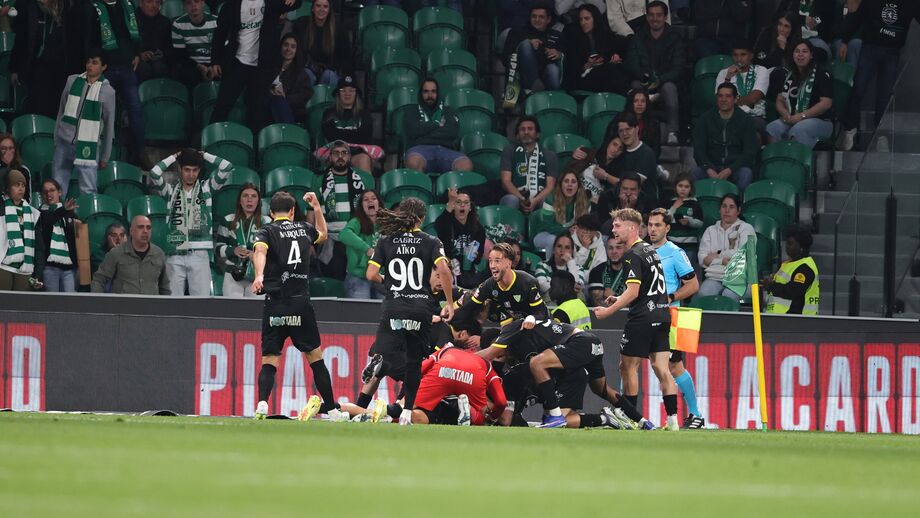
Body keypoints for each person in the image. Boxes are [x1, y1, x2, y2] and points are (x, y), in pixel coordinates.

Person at [251, 191, 347, 422]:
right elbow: (323, 235)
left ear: (271, 212)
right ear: (293, 211)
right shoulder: (304, 228)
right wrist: (317, 207)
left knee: (270, 359)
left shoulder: (266, 230)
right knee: (315, 357)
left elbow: (260, 251)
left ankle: (262, 403)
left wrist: (259, 275)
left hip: (275, 303)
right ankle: (332, 410)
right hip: (300, 303)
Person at [365, 197, 456, 426]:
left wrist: (387, 280)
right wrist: (449, 302)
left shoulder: (386, 240)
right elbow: (444, 270)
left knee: (385, 349)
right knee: (415, 361)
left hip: (394, 305)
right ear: (422, 219)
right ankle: (406, 412)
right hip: (420, 308)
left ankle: (379, 360)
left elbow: (370, 274)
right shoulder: (431, 241)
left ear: (401, 214)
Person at [479, 316, 652, 429]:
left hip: (580, 341)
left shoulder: (517, 336)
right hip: (592, 345)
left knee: (537, 363)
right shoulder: (521, 347)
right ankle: (643, 422)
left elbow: (491, 354)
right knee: (602, 389)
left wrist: (465, 357)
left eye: (500, 353)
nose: (500, 357)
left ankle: (555, 416)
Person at [593, 208, 680, 431]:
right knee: (662, 369)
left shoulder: (632, 254)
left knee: (627, 367)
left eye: (617, 226)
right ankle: (673, 422)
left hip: (642, 318)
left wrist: (608, 311)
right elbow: (645, 287)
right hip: (662, 314)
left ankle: (630, 417)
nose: (613, 230)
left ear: (632, 227)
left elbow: (633, 292)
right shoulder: (650, 250)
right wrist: (619, 298)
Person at [647, 208, 704, 428]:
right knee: (630, 361)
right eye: (650, 225)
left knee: (673, 366)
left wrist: (670, 297)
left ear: (667, 228)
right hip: (647, 315)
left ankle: (695, 414)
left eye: (658, 225)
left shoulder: (675, 253)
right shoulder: (643, 251)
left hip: (670, 317)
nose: (652, 229)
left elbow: (693, 285)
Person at [148, 148, 232, 296]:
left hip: (199, 253)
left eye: (195, 170)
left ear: (199, 171)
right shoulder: (170, 191)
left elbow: (227, 167)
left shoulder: (207, 188)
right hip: (174, 252)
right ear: (180, 169)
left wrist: (204, 155)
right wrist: (174, 156)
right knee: (172, 303)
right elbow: (154, 173)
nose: (191, 174)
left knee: (201, 303)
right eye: (187, 170)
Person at [839, 0, 919, 152]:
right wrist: (845, 40)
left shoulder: (911, 2)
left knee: (884, 95)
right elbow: (858, 17)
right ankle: (850, 130)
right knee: (858, 89)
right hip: (870, 47)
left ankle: (881, 136)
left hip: (892, 52)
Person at [210, 0, 302, 132]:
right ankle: (211, 140)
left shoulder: (271, 2)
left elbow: (297, 4)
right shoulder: (231, 5)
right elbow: (220, 32)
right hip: (237, 63)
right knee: (222, 106)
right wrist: (215, 61)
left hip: (262, 67)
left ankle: (253, 143)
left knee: (257, 113)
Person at [52, 50, 116, 199]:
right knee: (57, 187)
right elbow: (61, 111)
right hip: (64, 142)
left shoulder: (107, 92)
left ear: (104, 67)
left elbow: (109, 125)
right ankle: (58, 214)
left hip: (88, 146)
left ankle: (87, 214)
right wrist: (56, 137)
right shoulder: (72, 80)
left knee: (88, 190)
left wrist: (105, 156)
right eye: (88, 62)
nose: (90, 65)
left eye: (95, 62)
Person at [624, 1, 684, 145]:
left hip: (665, 81)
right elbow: (632, 62)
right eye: (651, 15)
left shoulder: (675, 37)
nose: (655, 18)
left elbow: (678, 68)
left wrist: (659, 80)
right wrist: (645, 78)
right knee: (635, 87)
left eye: (659, 15)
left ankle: (672, 132)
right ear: (646, 17)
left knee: (670, 89)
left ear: (665, 17)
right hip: (643, 80)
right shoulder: (638, 36)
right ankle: (635, 130)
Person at [10, 0, 80, 118]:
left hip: (62, 67)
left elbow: (75, 41)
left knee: (59, 107)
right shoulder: (29, 8)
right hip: (37, 66)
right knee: (40, 105)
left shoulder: (67, 8)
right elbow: (21, 40)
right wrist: (14, 68)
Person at [453, 242, 550, 326]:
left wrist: (531, 318)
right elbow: (468, 307)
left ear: (509, 263)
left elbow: (540, 312)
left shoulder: (528, 282)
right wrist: (448, 317)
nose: (492, 266)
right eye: (490, 261)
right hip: (516, 326)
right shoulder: (488, 285)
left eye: (497, 261)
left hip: (540, 325)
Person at [411, 344, 508, 426]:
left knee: (414, 406)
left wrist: (405, 393)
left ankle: (405, 411)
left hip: (444, 369)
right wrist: (492, 418)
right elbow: (501, 401)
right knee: (481, 415)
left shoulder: (445, 349)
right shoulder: (487, 365)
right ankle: (470, 410)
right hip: (473, 376)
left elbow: (419, 369)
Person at [767, 40, 834, 149]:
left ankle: (797, 159)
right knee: (772, 128)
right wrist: (785, 114)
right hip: (792, 118)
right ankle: (777, 158)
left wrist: (802, 116)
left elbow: (826, 103)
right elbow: (779, 100)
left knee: (798, 129)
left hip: (820, 121)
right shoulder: (788, 75)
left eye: (804, 51)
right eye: (797, 51)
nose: (800, 54)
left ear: (811, 55)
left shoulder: (821, 74)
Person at [691, 83, 758, 190]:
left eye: (728, 96)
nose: (723, 99)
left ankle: (739, 201)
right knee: (695, 173)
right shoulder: (705, 119)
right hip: (712, 166)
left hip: (735, 167)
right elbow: (699, 150)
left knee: (745, 173)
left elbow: (749, 152)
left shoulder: (746, 120)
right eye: (720, 96)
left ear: (735, 99)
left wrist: (730, 169)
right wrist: (709, 169)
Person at [404, 78, 473, 175]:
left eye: (433, 91)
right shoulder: (411, 111)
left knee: (466, 165)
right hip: (420, 150)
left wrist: (423, 134)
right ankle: (421, 185)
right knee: (413, 162)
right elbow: (413, 130)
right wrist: (437, 125)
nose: (430, 95)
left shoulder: (449, 111)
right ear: (420, 93)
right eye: (426, 91)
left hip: (446, 150)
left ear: (438, 93)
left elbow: (451, 133)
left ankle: (451, 186)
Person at [214, 182, 271, 297]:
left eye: (253, 196)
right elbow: (218, 248)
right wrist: (233, 250)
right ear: (240, 201)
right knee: (232, 307)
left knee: (256, 308)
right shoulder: (228, 220)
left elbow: (274, 250)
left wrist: (257, 255)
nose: (249, 200)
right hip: (233, 273)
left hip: (257, 273)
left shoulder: (267, 222)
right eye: (245, 196)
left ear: (258, 201)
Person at [697, 193, 756, 301]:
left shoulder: (747, 229)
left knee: (728, 296)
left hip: (740, 279)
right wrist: (722, 261)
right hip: (715, 277)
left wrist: (718, 254)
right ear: (720, 209)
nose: (727, 210)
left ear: (738, 210)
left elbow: (743, 255)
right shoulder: (710, 230)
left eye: (731, 207)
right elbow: (702, 259)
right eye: (724, 206)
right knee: (703, 294)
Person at [91, 215, 170, 294]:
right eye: (141, 227)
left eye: (148, 227)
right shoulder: (116, 253)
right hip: (123, 301)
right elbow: (99, 279)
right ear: (131, 231)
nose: (145, 231)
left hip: (151, 301)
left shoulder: (159, 254)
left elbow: (164, 286)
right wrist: (98, 300)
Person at [561, 4, 630, 94]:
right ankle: (630, 94)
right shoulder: (574, 38)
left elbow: (613, 52)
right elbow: (572, 67)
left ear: (595, 19)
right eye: (581, 19)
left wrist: (614, 57)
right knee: (610, 71)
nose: (583, 22)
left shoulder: (605, 36)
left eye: (587, 19)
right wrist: (586, 65)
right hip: (583, 78)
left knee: (617, 69)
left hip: (605, 73)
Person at [499, 116, 558, 213]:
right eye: (522, 129)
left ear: (537, 134)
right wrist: (521, 198)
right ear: (517, 135)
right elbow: (506, 181)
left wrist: (535, 200)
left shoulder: (550, 155)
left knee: (547, 201)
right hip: (515, 195)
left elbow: (550, 187)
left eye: (530, 129)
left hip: (539, 197)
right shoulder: (509, 151)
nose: (526, 132)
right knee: (511, 200)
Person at [502, 3, 563, 94]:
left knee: (552, 68)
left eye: (541, 17)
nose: (537, 20)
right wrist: (527, 45)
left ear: (548, 19)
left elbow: (568, 56)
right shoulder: (517, 32)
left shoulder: (556, 36)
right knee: (526, 44)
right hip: (521, 75)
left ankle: (554, 98)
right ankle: (534, 84)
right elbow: (505, 56)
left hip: (546, 75)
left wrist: (559, 54)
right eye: (534, 16)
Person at [715, 40, 770, 137]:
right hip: (728, 116)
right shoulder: (724, 73)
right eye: (735, 55)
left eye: (743, 55)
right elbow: (720, 101)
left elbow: (752, 99)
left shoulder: (761, 71)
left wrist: (730, 101)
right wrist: (728, 78)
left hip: (755, 117)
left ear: (751, 56)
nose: (739, 59)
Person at [435, 188, 486, 290]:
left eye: (466, 203)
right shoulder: (447, 224)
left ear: (470, 207)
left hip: (468, 274)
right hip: (448, 270)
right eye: (458, 202)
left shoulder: (478, 229)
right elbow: (438, 224)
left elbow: (478, 259)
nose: (462, 205)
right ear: (454, 206)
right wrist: (451, 201)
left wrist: (475, 256)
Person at [321, 75, 374, 173]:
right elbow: (330, 136)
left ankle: (367, 184)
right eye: (343, 90)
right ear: (338, 94)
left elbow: (365, 137)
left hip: (357, 155)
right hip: (335, 154)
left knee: (364, 159)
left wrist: (342, 136)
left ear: (356, 94)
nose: (347, 94)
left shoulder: (365, 114)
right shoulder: (329, 114)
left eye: (351, 90)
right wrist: (353, 137)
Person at [529, 169, 589, 254]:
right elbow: (549, 226)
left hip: (569, 236)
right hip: (545, 234)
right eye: (566, 181)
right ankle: (552, 263)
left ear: (578, 186)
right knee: (553, 240)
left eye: (573, 182)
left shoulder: (583, 202)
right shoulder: (550, 199)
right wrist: (567, 231)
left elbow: (585, 225)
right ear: (561, 184)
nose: (570, 184)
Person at [34, 179, 79, 292]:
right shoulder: (38, 214)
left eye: (52, 190)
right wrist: (64, 210)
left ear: (59, 192)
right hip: (49, 267)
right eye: (45, 192)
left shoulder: (70, 213)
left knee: (70, 301)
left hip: (69, 268)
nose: (48, 194)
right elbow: (49, 221)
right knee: (52, 301)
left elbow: (74, 240)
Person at [292, 0, 349, 87]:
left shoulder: (339, 29)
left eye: (325, 6)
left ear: (329, 10)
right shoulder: (302, 24)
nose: (321, 9)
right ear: (312, 9)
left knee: (329, 75)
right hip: (308, 69)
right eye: (318, 6)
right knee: (306, 74)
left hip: (329, 71)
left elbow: (344, 58)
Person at [0, 171, 41, 291]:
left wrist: (38, 273)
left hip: (25, 268)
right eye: (16, 185)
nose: (21, 188)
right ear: (8, 188)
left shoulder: (33, 213)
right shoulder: (2, 208)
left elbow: (39, 246)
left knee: (21, 302)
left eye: (23, 185)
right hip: (3, 266)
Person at [763, 228, 820, 315]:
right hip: (780, 316)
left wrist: (771, 285)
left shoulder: (805, 268)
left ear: (801, 247)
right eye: (787, 243)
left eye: (790, 244)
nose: (787, 247)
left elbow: (793, 291)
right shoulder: (789, 264)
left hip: (796, 318)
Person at [340, 190, 382, 299]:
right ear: (361, 206)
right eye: (366, 199)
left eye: (373, 198)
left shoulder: (386, 223)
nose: (370, 201)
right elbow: (344, 234)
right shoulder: (356, 221)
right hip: (358, 277)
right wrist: (366, 249)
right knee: (361, 309)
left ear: (379, 203)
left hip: (380, 277)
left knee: (384, 309)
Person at [612, 113, 659, 204]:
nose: (625, 134)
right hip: (622, 203)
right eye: (621, 131)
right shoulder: (621, 151)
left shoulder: (646, 153)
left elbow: (632, 184)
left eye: (628, 129)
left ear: (637, 129)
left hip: (644, 205)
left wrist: (606, 176)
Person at [170, 0, 219, 87]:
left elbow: (223, 50)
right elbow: (180, 55)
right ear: (184, 6)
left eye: (196, 1)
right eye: (189, 2)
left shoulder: (216, 21)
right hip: (193, 65)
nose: (193, 5)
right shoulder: (178, 24)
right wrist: (199, 67)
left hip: (214, 63)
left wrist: (214, 66)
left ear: (203, 3)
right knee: (183, 71)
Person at [270, 33, 313, 125]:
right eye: (286, 45)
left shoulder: (302, 74)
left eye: (293, 47)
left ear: (297, 51)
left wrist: (285, 97)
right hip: (269, 106)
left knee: (279, 100)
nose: (288, 49)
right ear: (281, 47)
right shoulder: (270, 68)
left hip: (292, 110)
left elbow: (306, 94)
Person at [570, 135, 625, 204]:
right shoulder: (590, 154)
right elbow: (569, 172)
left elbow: (623, 184)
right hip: (575, 198)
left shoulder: (617, 170)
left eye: (620, 149)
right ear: (608, 143)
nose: (616, 150)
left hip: (594, 205)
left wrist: (606, 176)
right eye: (614, 144)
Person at [665, 173, 704, 264]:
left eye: (686, 186)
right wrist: (674, 208)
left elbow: (700, 223)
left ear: (691, 188)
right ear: (675, 187)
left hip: (689, 247)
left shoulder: (694, 203)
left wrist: (689, 222)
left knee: (687, 270)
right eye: (680, 186)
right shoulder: (670, 202)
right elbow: (665, 220)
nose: (683, 189)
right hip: (672, 245)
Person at [619, 88, 662, 157]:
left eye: (643, 101)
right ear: (631, 103)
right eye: (636, 101)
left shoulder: (654, 123)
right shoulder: (620, 119)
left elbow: (656, 150)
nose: (639, 104)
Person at [135, 0, 171, 81]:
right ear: (141, 3)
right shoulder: (131, 21)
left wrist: (163, 53)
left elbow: (170, 47)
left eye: (157, 2)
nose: (154, 5)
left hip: (159, 61)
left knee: (159, 67)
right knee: (144, 68)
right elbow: (127, 45)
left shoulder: (165, 22)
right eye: (149, 1)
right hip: (137, 59)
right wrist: (140, 54)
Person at [587, 236, 626, 306]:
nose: (614, 251)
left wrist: (615, 296)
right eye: (610, 248)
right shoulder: (596, 271)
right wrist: (624, 299)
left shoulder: (633, 270)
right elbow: (596, 302)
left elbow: (636, 300)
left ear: (626, 249)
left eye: (618, 248)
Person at [606, 0, 670, 37]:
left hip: (649, 23)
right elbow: (615, 19)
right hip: (628, 29)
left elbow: (662, 9)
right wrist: (631, 35)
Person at [0, 135, 33, 203]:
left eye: (11, 148)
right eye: (4, 148)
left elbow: (27, 199)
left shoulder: (23, 170)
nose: (8, 151)